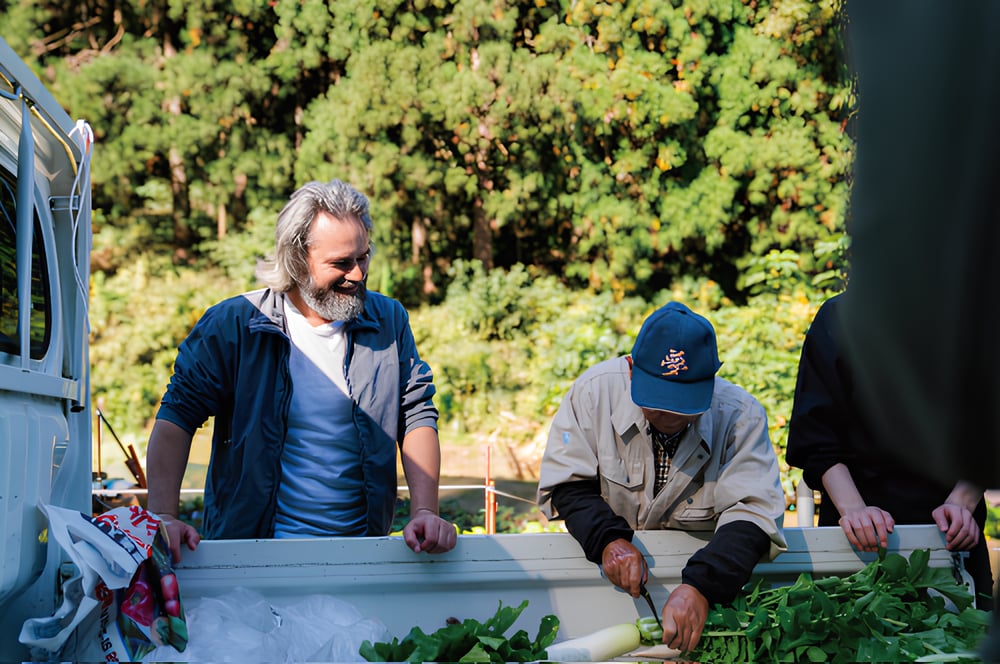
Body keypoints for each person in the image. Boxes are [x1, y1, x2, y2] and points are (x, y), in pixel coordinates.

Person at [145, 179, 457, 562]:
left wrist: (425, 511)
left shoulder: (388, 321)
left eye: (363, 257)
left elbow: (415, 415)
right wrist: (163, 515)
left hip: (360, 553)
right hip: (253, 557)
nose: (358, 274)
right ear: (296, 259)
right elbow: (178, 415)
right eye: (341, 263)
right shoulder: (235, 324)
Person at [536, 301, 787, 654]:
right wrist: (609, 541)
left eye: (683, 403)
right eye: (657, 400)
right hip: (605, 597)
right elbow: (568, 486)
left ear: (711, 382)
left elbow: (754, 516)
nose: (668, 414)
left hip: (708, 598)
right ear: (631, 369)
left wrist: (702, 587)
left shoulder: (740, 416)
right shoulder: (592, 393)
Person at [786, 292, 993, 610]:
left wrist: (962, 502)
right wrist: (854, 510)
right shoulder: (838, 318)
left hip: (954, 535)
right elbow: (816, 437)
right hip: (853, 532)